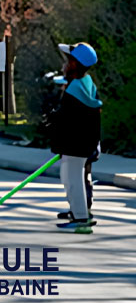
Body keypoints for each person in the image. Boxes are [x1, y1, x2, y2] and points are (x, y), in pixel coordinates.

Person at [46, 42, 102, 234]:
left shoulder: (74, 90)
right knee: (71, 178)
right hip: (83, 144)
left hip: (75, 145)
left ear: (74, 65)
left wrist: (53, 117)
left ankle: (80, 219)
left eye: (67, 60)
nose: (64, 64)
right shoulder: (87, 83)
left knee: (73, 180)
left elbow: (67, 119)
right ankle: (78, 211)